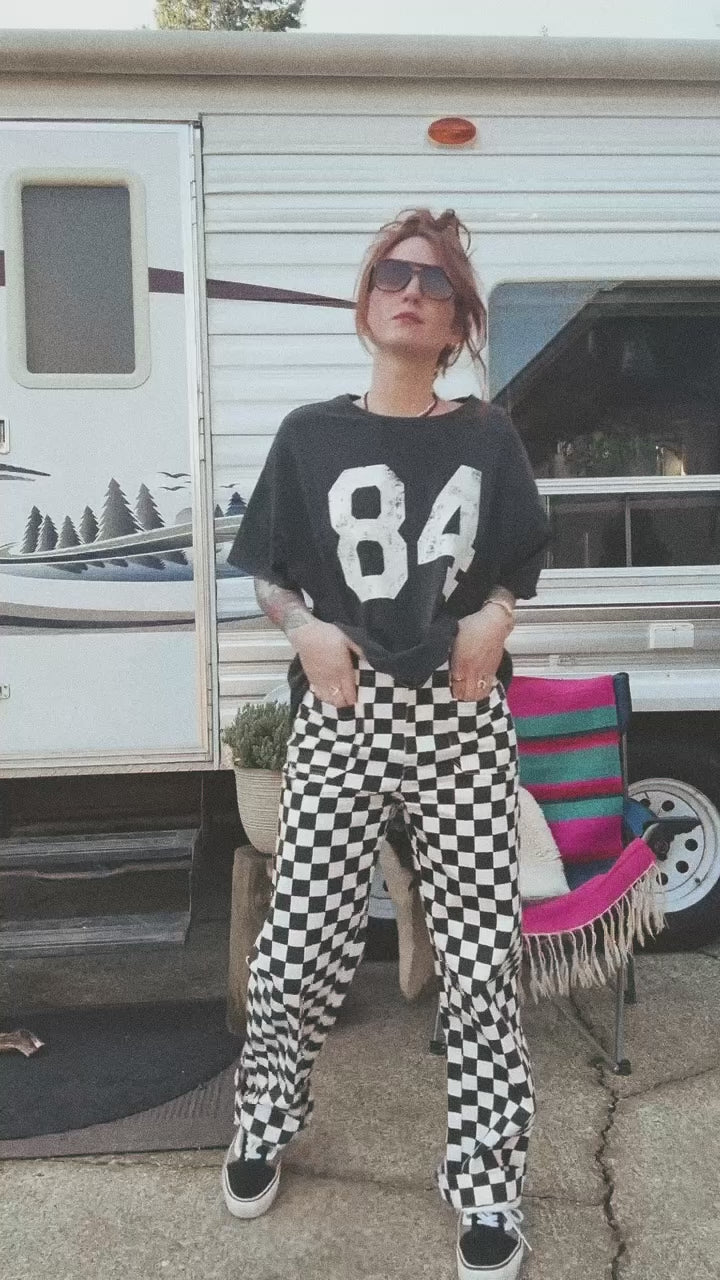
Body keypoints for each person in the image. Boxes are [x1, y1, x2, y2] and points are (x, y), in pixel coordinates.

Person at [222, 207, 550, 1280]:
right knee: (298, 943)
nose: (412, 291)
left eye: (436, 282)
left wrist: (497, 615)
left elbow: (518, 564)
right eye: (393, 276)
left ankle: (487, 1181)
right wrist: (305, 629)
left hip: (461, 717)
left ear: (458, 321)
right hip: (345, 710)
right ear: (366, 303)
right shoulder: (309, 434)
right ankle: (263, 1118)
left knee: (480, 960)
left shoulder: (488, 436)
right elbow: (269, 572)